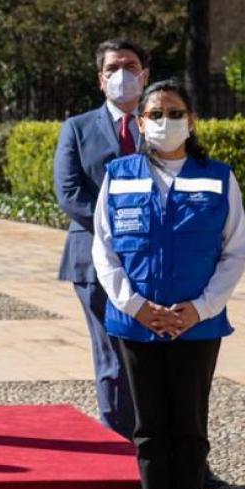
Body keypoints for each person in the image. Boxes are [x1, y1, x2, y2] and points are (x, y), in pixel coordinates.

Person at [92, 79, 245, 489]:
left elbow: (235, 251)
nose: (166, 122)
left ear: (191, 120)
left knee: (189, 426)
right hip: (137, 324)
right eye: (155, 114)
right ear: (140, 122)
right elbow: (104, 248)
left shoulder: (217, 177)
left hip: (196, 327)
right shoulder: (119, 175)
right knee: (149, 428)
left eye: (174, 112)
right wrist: (135, 305)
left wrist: (199, 308)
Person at [54, 38, 146, 447]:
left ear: (144, 74)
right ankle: (120, 449)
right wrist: (123, 229)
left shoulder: (163, 121)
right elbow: (70, 192)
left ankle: (178, 455)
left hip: (158, 260)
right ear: (100, 79)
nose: (121, 74)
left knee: (168, 362)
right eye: (112, 68)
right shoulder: (77, 128)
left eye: (129, 65)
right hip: (94, 260)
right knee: (112, 359)